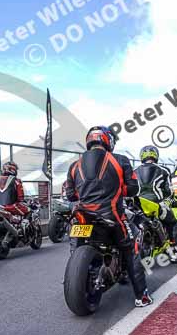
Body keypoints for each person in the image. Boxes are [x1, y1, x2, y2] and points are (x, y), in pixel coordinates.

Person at [65, 126, 153, 308]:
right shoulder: (120, 160)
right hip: (111, 215)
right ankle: (141, 295)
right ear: (108, 140)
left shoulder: (74, 165)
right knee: (132, 248)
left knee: (75, 244)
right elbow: (133, 188)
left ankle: (75, 276)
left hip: (82, 215)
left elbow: (71, 195)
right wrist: (117, 189)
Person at [135, 146, 177, 263]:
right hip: (156, 205)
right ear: (156, 155)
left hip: (137, 205)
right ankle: (175, 255)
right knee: (174, 223)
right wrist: (168, 202)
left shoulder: (134, 171)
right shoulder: (164, 170)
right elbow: (169, 192)